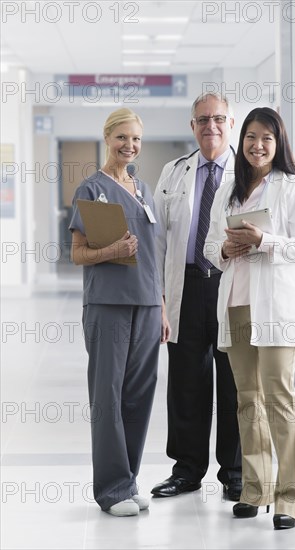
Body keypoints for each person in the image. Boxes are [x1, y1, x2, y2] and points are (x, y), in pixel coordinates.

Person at [205, 107, 295, 529]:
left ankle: (289, 499)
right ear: (243, 142)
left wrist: (265, 241)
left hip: (277, 308)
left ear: (278, 144)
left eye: (267, 139)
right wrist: (224, 250)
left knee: (279, 399)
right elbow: (209, 246)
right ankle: (256, 490)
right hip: (237, 303)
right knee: (247, 400)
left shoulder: (291, 188)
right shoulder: (229, 190)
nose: (257, 145)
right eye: (252, 137)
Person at [69, 108, 170, 517]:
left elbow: (153, 256)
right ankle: (110, 491)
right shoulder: (92, 189)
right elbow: (77, 254)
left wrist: (162, 306)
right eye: (122, 138)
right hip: (108, 305)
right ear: (107, 138)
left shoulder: (144, 190)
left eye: (137, 140)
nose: (130, 146)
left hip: (147, 304)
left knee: (139, 397)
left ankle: (128, 481)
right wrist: (112, 251)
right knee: (108, 397)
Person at [151, 92, 242, 500]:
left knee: (234, 380)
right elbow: (157, 242)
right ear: (192, 126)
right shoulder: (173, 171)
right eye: (203, 119)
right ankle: (186, 470)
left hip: (230, 286)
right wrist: (159, 300)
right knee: (186, 382)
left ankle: (235, 473)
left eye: (219, 118)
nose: (211, 126)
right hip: (185, 285)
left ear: (231, 123)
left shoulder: (251, 173)